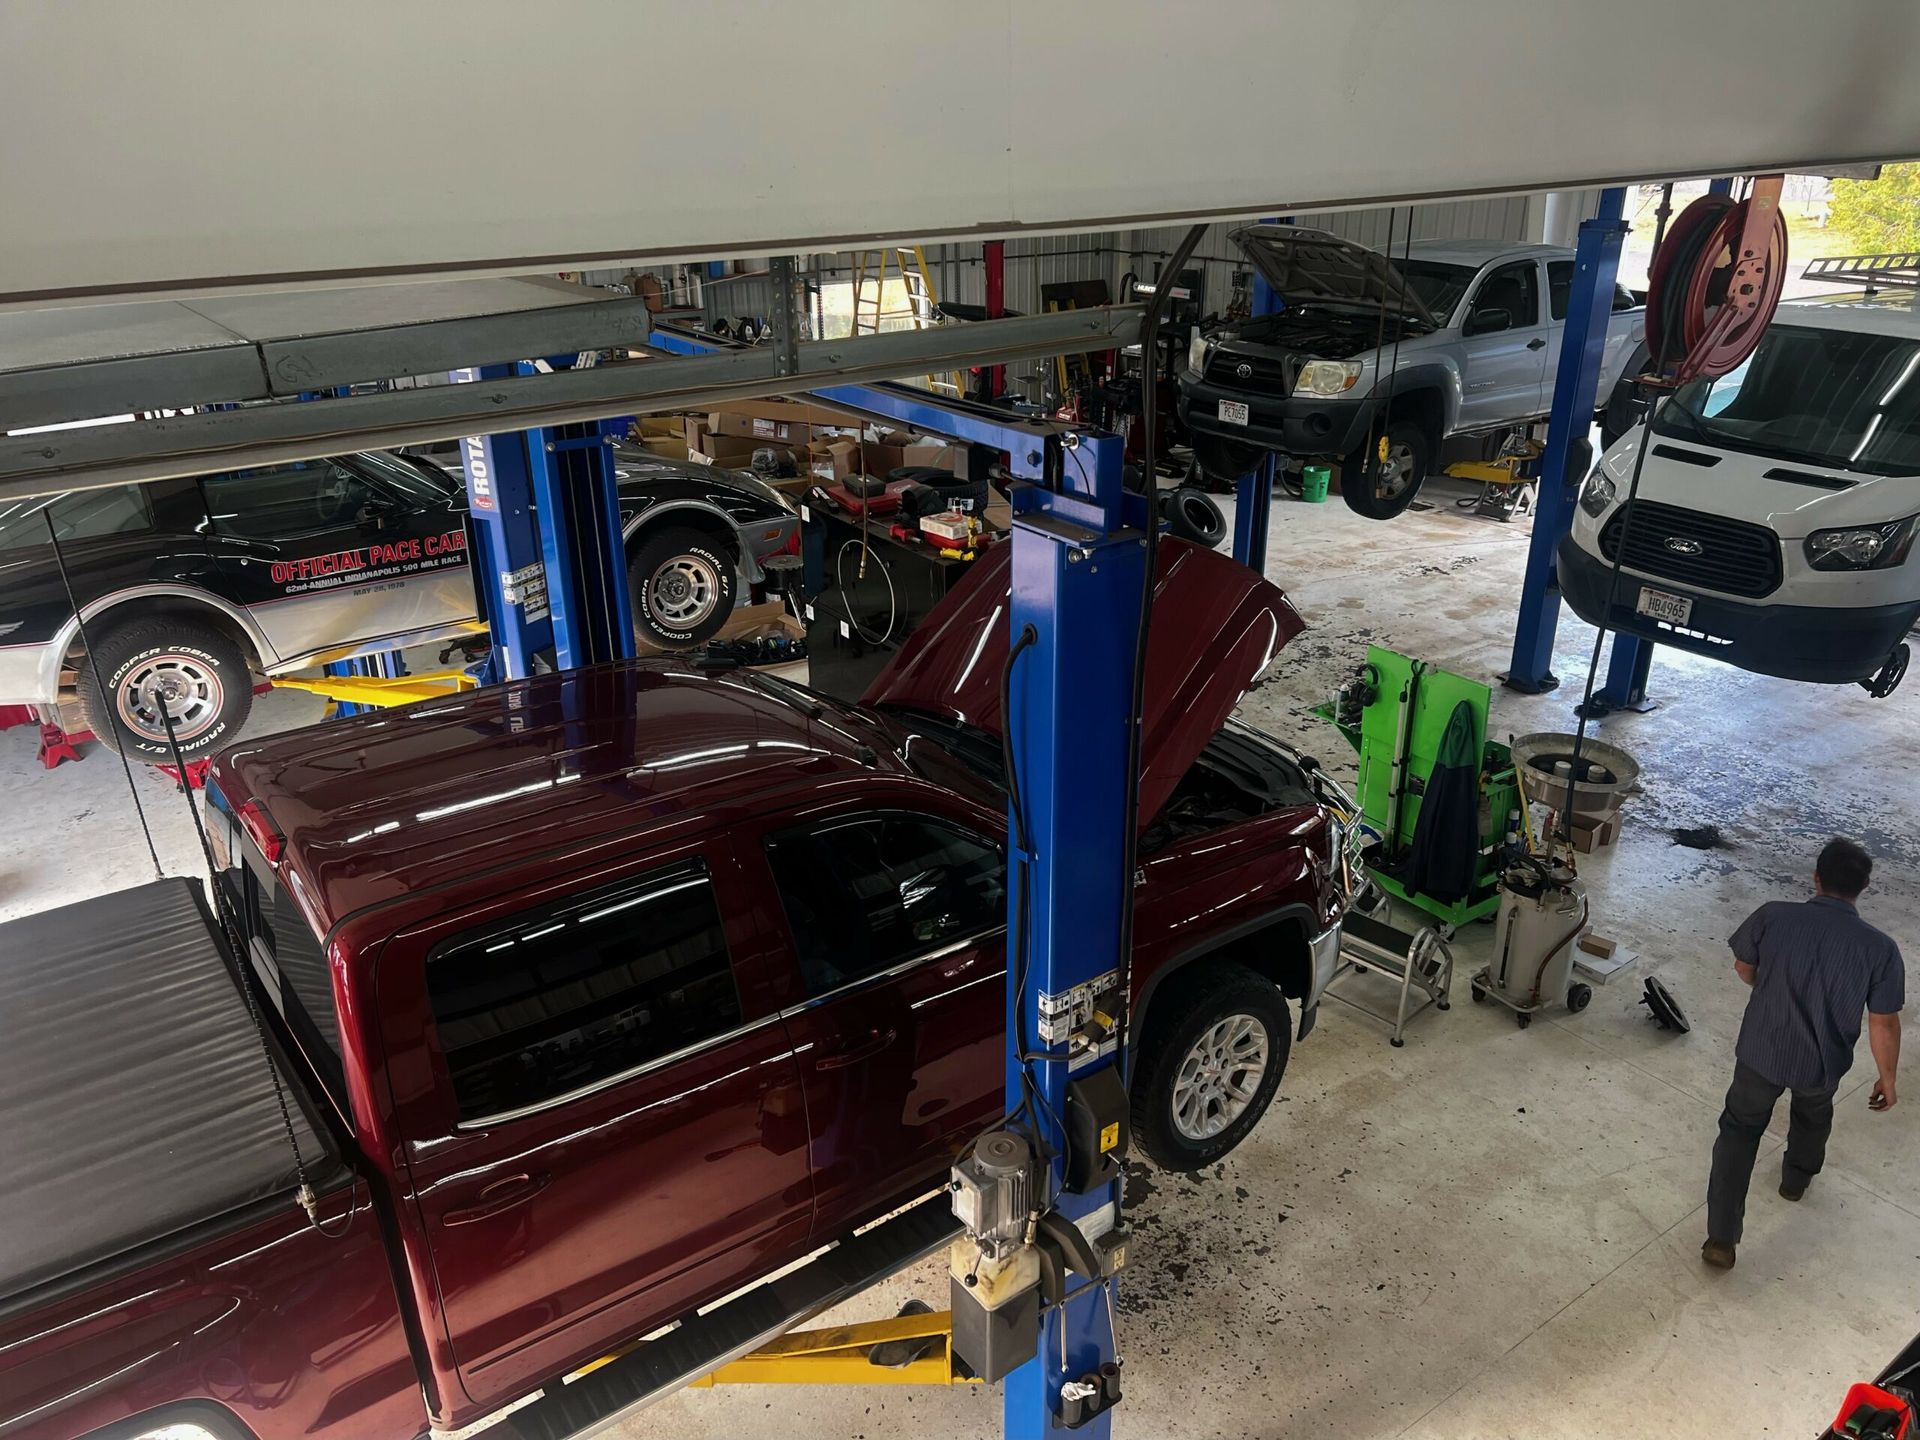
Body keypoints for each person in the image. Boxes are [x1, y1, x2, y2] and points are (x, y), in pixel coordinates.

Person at [1703, 837, 1905, 1269]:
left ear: (1816, 878)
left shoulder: (1773, 915)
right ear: (1864, 887)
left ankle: (1721, 1239)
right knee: (1813, 1116)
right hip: (1822, 1062)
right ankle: (1795, 1180)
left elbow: (1743, 967)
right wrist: (1887, 1078)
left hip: (1761, 1051)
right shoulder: (1880, 949)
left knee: (1739, 1132)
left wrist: (1770, 988)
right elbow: (1883, 1021)